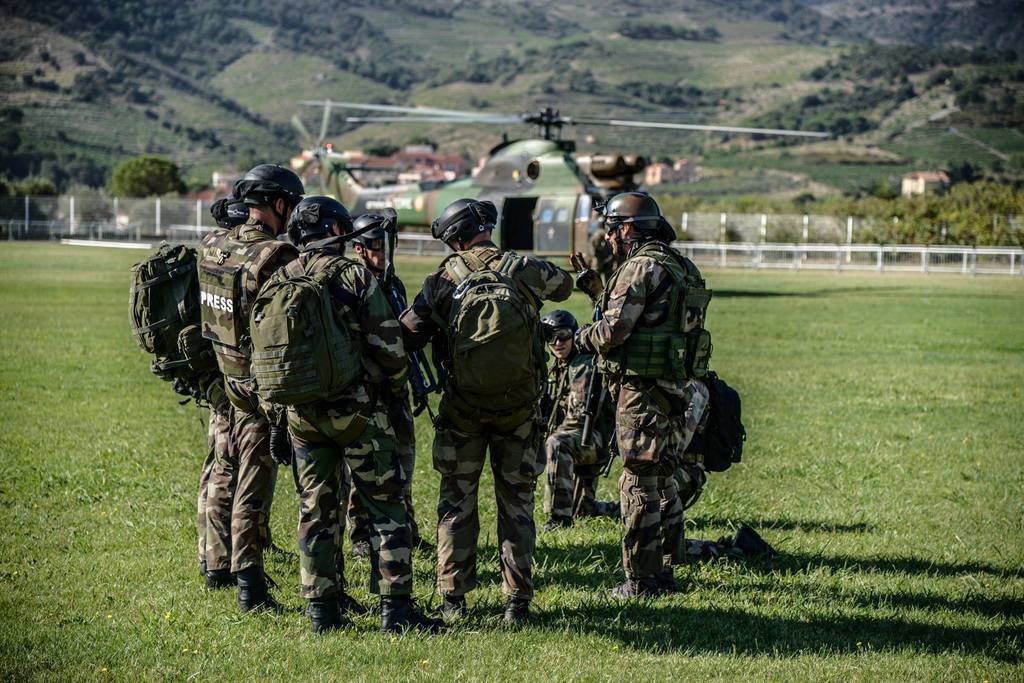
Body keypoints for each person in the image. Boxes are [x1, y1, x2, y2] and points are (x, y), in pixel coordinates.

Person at [399, 198, 573, 623]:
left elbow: (408, 334)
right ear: (485, 228)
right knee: (517, 503)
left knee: (456, 503)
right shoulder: (522, 268)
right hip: (518, 409)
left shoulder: (442, 278)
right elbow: (565, 287)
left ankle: (453, 600)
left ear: (454, 237)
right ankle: (517, 602)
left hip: (463, 411)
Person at [275, 196, 441, 634]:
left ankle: (321, 614)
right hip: (358, 414)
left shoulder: (282, 275)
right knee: (386, 507)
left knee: (315, 511)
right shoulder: (352, 275)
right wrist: (397, 382)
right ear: (333, 230)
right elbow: (389, 350)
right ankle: (396, 613)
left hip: (302, 417)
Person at [572, 192, 712, 599]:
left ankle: (642, 580)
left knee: (638, 482)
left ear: (628, 229)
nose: (609, 237)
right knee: (662, 478)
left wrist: (582, 338)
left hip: (642, 390)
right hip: (675, 387)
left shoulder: (639, 267)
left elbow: (615, 330)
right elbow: (660, 323)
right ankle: (667, 570)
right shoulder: (681, 265)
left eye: (612, 229)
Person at [198, 165, 303, 612]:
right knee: (254, 485)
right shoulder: (275, 255)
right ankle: (250, 586)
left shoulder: (211, 245)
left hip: (223, 377)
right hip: (259, 390)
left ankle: (214, 561)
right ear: (279, 204)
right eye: (291, 206)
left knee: (221, 468)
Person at [341, 215, 432, 559]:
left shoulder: (393, 284)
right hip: (367, 388)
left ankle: (405, 526)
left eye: (386, 245)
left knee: (402, 459)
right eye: (376, 246)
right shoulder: (353, 283)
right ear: (360, 249)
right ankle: (360, 531)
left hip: (398, 382)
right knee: (366, 464)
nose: (383, 253)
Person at [538, 309, 618, 532]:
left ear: (574, 336)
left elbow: (577, 420)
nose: (557, 342)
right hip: (581, 437)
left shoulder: (583, 366)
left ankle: (559, 519)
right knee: (584, 509)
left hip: (592, 438)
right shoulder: (557, 368)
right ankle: (624, 510)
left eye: (563, 335)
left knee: (556, 444)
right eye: (550, 337)